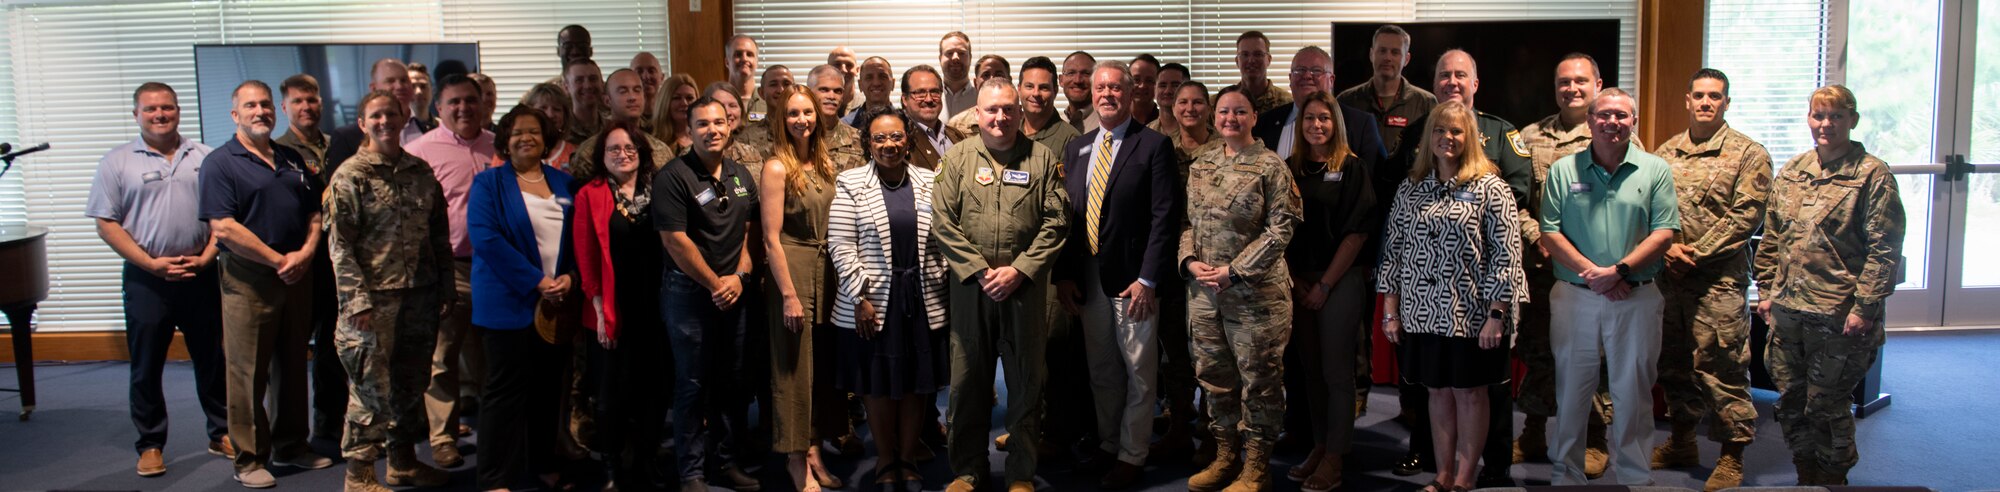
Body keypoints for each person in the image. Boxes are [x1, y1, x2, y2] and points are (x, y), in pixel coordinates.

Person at [1385, 49, 1531, 486]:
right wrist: (1391, 312)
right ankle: (1443, 475)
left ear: (1469, 135)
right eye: (1439, 131)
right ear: (1428, 136)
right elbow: (1393, 252)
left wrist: (1497, 315)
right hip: (1422, 313)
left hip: (1473, 317)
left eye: (1456, 131)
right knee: (1436, 394)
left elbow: (1507, 256)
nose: (1447, 137)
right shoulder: (1412, 189)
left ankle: (1465, 479)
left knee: (1470, 395)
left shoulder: (1492, 188)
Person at [1753, 84, 1904, 486]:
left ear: (1852, 120)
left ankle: (1834, 478)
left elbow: (1884, 251)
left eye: (1836, 116)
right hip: (1788, 313)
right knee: (1792, 403)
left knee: (1828, 406)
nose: (1826, 124)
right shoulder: (1794, 169)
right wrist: (1766, 291)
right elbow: (1772, 237)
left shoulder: (1872, 175)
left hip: (1839, 317)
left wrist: (1864, 308)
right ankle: (1806, 475)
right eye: (1819, 115)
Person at [932, 79, 1070, 492]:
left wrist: (1021, 270)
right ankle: (968, 470)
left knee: (1027, 383)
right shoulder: (956, 160)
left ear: (1019, 112)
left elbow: (1057, 222)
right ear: (977, 114)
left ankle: (1020, 473)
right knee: (967, 383)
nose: (1000, 117)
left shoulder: (1043, 160)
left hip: (1024, 290)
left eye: (1008, 109)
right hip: (971, 290)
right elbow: (943, 222)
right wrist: (977, 270)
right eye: (992, 110)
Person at [88, 81, 231, 478]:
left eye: (167, 107)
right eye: (151, 109)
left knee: (212, 359)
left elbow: (224, 216)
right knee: (147, 364)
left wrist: (206, 258)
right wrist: (152, 265)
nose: (160, 115)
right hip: (146, 279)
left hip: (201, 275)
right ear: (136, 114)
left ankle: (220, 432)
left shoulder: (205, 156)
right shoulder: (116, 162)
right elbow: (106, 224)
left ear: (178, 110)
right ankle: (150, 444)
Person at [1536, 87, 1679, 486]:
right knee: (1572, 393)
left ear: (1633, 121)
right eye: (1604, 115)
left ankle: (1634, 476)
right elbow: (1550, 232)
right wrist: (1595, 276)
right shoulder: (1564, 170)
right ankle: (1566, 474)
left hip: (1635, 297)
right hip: (1575, 298)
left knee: (1633, 393)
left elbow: (1664, 232)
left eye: (1621, 115)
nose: (1612, 122)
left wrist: (1618, 271)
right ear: (1590, 120)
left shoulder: (1655, 169)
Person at [1048, 58, 1179, 490]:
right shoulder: (1078, 146)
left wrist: (1149, 280)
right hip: (1088, 278)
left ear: (1130, 93)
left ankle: (1132, 454)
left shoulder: (1154, 146)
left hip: (1133, 281)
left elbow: (1165, 219)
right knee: (1102, 369)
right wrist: (1065, 275)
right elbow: (1068, 217)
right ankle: (1107, 443)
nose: (1106, 94)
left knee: (1140, 373)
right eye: (1100, 88)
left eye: (1115, 88)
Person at [200, 80, 334, 488]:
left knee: (293, 364)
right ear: (235, 115)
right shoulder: (221, 163)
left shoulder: (292, 159)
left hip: (297, 274)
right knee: (247, 371)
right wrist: (279, 260)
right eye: (250, 106)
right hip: (250, 278)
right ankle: (249, 458)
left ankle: (291, 445)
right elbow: (223, 227)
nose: (260, 112)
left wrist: (306, 253)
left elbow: (315, 213)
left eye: (265, 105)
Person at [324, 90, 456, 492]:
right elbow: (340, 247)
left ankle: (403, 462)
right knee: (370, 390)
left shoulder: (420, 171)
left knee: (410, 385)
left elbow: (439, 237)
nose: (385, 122)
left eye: (392, 115)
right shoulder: (350, 176)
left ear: (403, 119)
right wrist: (356, 301)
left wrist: (445, 288)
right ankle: (359, 475)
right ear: (362, 123)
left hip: (419, 296)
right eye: (375, 116)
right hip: (372, 303)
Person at [1649, 68, 1771, 491]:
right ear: (1687, 99)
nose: (1705, 102)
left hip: (1718, 283)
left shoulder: (1749, 154)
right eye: (1699, 94)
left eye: (1714, 96)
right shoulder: (1665, 153)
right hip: (1670, 280)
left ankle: (1732, 457)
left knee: (1722, 368)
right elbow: (1650, 210)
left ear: (1726, 103)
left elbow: (1745, 217)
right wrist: (1668, 250)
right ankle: (1682, 442)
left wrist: (1694, 254)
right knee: (1675, 366)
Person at [1181, 86, 1301, 492]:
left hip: (1255, 298)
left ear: (1253, 117)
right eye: (1224, 112)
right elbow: (1187, 224)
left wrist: (1236, 271)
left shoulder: (1271, 166)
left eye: (1240, 112)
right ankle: (1225, 455)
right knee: (1215, 378)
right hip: (1204, 295)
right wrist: (1188, 261)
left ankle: (1256, 467)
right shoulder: (1202, 162)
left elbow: (1282, 228)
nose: (1230, 119)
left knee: (1260, 382)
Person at [827, 109, 950, 491]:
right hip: (872, 301)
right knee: (876, 383)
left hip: (922, 297)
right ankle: (884, 457)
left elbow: (946, 236)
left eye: (896, 137)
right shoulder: (850, 182)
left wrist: (943, 274)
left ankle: (909, 455)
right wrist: (860, 295)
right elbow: (841, 245)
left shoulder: (930, 180)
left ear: (908, 140)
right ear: (868, 143)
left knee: (917, 382)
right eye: (879, 139)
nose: (888, 145)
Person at [653, 96, 765, 492]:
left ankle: (728, 462)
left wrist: (740, 277)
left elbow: (753, 232)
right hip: (690, 295)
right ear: (690, 130)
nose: (712, 130)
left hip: (736, 291)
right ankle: (693, 473)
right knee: (693, 384)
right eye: (702, 124)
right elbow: (674, 240)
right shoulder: (672, 176)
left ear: (730, 126)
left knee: (734, 381)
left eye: (719, 122)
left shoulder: (739, 175)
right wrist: (716, 283)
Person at [1516, 52, 1617, 476]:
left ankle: (1595, 438)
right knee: (1539, 351)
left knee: (1592, 357)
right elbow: (1514, 201)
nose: (1571, 89)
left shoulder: (1616, 132)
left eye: (1580, 81)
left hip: (1594, 275)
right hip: (1542, 270)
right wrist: (1537, 235)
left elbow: (1628, 203)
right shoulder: (1529, 137)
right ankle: (1534, 431)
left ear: (1597, 84)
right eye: (1563, 82)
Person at [470, 105, 578, 492]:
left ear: (546, 139)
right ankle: (495, 477)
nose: (526, 138)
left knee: (549, 390)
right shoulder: (490, 184)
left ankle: (543, 464)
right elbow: (486, 240)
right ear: (505, 140)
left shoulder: (565, 183)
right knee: (504, 393)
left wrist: (571, 277)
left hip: (556, 306)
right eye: (517, 132)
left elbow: (578, 242)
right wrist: (536, 281)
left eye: (534, 131)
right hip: (508, 303)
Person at [1279, 90, 1378, 492]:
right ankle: (1320, 447)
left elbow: (1356, 234)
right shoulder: (1289, 168)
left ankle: (1336, 457)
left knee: (1337, 372)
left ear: (1336, 123)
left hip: (1339, 280)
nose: (1316, 125)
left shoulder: (1352, 169)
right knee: (1311, 371)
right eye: (1309, 119)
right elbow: (1277, 227)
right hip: (1298, 281)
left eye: (1324, 118)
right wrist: (1295, 279)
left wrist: (1323, 284)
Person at [404, 74, 496, 469]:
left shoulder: (499, 146)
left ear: (483, 104)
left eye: (470, 100)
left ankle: (496, 434)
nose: (464, 108)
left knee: (491, 356)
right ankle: (442, 437)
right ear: (438, 108)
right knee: (442, 357)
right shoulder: (419, 151)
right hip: (449, 269)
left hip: (496, 269)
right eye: (454, 102)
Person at [757, 85, 846, 492]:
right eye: (793, 114)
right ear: (781, 119)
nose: (801, 120)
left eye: (807, 112)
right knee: (793, 369)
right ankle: (795, 459)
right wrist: (789, 295)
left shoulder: (824, 162)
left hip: (827, 271)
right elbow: (770, 238)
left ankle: (814, 448)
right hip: (792, 270)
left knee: (821, 368)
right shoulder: (777, 167)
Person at [573, 119, 668, 490]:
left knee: (655, 390)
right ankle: (611, 467)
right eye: (614, 149)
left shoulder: (659, 189)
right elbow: (585, 258)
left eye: (630, 148)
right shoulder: (590, 194)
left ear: (641, 152)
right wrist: (599, 313)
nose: (623, 154)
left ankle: (646, 459)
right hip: (609, 308)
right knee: (611, 395)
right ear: (602, 155)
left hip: (656, 307)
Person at [270, 73, 345, 445]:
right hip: (298, 260)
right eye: (298, 101)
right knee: (292, 349)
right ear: (285, 108)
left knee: (334, 344)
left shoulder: (341, 145)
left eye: (312, 100)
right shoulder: (276, 151)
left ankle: (330, 422)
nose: (306, 107)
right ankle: (288, 434)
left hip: (338, 261)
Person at [1337, 24, 1436, 160]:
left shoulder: (1426, 102)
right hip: (1360, 180)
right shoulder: (1346, 101)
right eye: (1382, 51)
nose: (1387, 58)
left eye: (1395, 52)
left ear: (1406, 59)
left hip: (1408, 180)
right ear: (1371, 54)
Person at [573, 69, 678, 188]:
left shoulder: (661, 150)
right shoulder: (589, 152)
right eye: (623, 92)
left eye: (637, 90)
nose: (632, 97)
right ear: (607, 100)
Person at [807, 64, 869, 173]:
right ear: (809, 92)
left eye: (838, 91)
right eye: (824, 90)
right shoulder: (799, 138)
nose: (831, 96)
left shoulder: (859, 140)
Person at [1018, 56, 1081, 156]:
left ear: (1055, 91)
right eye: (1029, 86)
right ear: (1019, 89)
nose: (1036, 93)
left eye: (1044, 88)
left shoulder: (1071, 140)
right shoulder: (1009, 129)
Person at [901, 65, 962, 170]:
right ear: (905, 99)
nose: (929, 99)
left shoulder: (957, 135)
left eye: (934, 92)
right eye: (920, 93)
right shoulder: (900, 139)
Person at [945, 55, 1014, 137]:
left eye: (999, 74)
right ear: (975, 83)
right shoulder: (956, 125)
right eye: (986, 75)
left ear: (1009, 80)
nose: (992, 80)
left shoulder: (1020, 121)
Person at [737, 64, 796, 157]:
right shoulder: (746, 138)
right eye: (773, 85)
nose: (781, 90)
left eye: (786, 84)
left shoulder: (805, 132)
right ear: (761, 93)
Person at [518, 83, 578, 171]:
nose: (550, 115)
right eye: (543, 108)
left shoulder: (576, 154)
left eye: (556, 109)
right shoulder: (514, 150)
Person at [1233, 31, 1291, 115]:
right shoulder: (1220, 104)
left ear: (1269, 59)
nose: (1251, 60)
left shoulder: (1287, 103)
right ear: (1237, 61)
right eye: (1245, 54)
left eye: (1258, 54)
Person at [652, 73, 702, 157]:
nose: (684, 103)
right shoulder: (654, 143)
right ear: (665, 102)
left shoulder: (705, 138)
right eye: (677, 98)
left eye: (689, 98)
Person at [564, 58, 608, 145]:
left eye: (593, 79)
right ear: (566, 88)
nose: (588, 86)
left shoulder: (612, 128)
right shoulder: (562, 131)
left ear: (602, 84)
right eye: (579, 80)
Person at [844, 56, 895, 127]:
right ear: (860, 85)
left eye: (882, 77)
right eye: (869, 78)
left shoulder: (906, 124)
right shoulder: (845, 126)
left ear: (893, 83)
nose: (876, 83)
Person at [938, 31, 976, 118]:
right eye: (949, 53)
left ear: (970, 58)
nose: (955, 58)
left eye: (962, 53)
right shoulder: (929, 100)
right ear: (940, 58)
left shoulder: (981, 99)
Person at [1146, 62, 1190, 138]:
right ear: (1155, 89)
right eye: (1162, 85)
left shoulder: (1200, 132)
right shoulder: (1146, 133)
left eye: (1175, 85)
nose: (1168, 91)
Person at [726, 34, 765, 119]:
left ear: (757, 62)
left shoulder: (768, 102)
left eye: (749, 54)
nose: (744, 59)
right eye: (738, 54)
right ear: (727, 62)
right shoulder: (716, 101)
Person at [1061, 51, 1100, 132]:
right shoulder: (1054, 124)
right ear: (1061, 80)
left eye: (1086, 73)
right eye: (1071, 73)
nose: (1077, 80)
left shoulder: (1108, 123)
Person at [1128, 54, 1161, 126]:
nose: (1142, 86)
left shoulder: (1165, 123)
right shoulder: (1117, 121)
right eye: (1136, 80)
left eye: (1149, 80)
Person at [632, 52, 665, 122]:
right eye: (639, 71)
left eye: (651, 71)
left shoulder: (670, 113)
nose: (646, 76)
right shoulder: (625, 117)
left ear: (662, 78)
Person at [828, 46, 860, 115]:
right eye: (837, 64)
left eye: (849, 65)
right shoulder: (817, 107)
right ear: (827, 69)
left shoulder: (866, 105)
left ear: (857, 70)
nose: (843, 70)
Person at [408, 62, 439, 134]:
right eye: (412, 86)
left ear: (433, 90)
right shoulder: (396, 129)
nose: (419, 92)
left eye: (423, 86)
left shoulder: (444, 127)